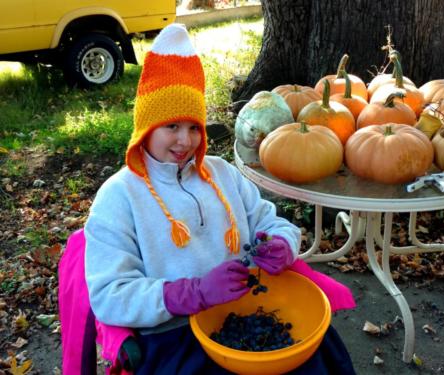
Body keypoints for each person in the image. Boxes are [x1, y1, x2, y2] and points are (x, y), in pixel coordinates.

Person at [84, 24, 356, 374]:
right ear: (146, 126)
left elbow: (271, 221)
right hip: (175, 334)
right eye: (172, 127)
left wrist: (281, 243)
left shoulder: (221, 173)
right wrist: (192, 293)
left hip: (246, 309)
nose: (185, 141)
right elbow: (110, 296)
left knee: (320, 355)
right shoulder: (119, 197)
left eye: (194, 127)